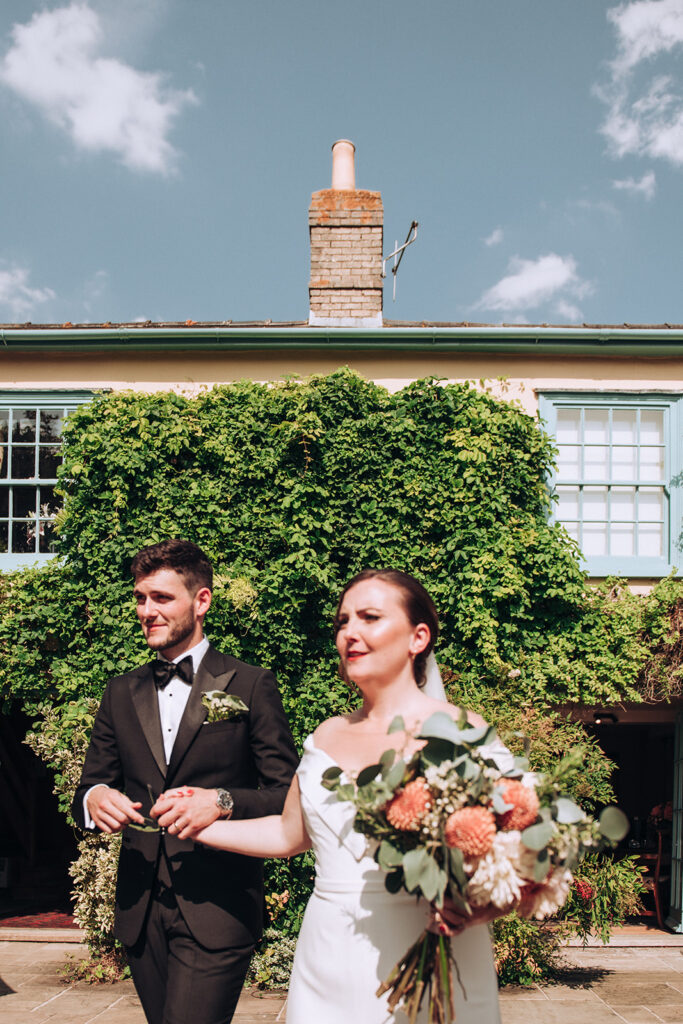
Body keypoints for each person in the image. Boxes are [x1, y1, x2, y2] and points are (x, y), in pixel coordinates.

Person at [179, 568, 501, 1024]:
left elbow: (520, 856)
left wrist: (475, 903)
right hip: (326, 955)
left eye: (369, 617)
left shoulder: (463, 734)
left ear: (418, 637)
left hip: (427, 949)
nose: (350, 632)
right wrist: (198, 825)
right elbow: (288, 833)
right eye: (342, 622)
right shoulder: (326, 734)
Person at [72, 539, 299, 1024]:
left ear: (201, 602)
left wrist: (221, 801)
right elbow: (89, 787)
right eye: (140, 598)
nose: (146, 610)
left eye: (161, 598)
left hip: (217, 906)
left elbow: (287, 796)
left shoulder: (251, 684)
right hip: (140, 909)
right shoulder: (120, 691)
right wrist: (96, 798)